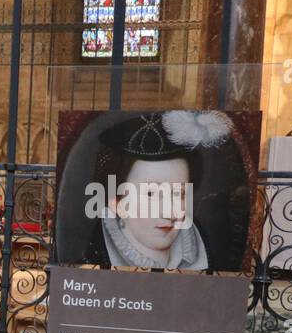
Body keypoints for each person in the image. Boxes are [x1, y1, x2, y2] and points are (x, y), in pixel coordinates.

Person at [82, 111, 234, 270]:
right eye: (151, 194)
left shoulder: (212, 260)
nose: (169, 213)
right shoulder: (89, 268)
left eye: (178, 194)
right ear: (118, 203)